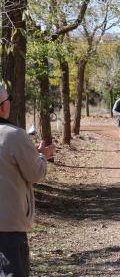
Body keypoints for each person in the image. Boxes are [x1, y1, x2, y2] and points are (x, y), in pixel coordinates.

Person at [0, 86, 54, 277]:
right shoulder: (14, 136)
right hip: (8, 225)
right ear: (3, 107)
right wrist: (42, 156)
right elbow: (36, 173)